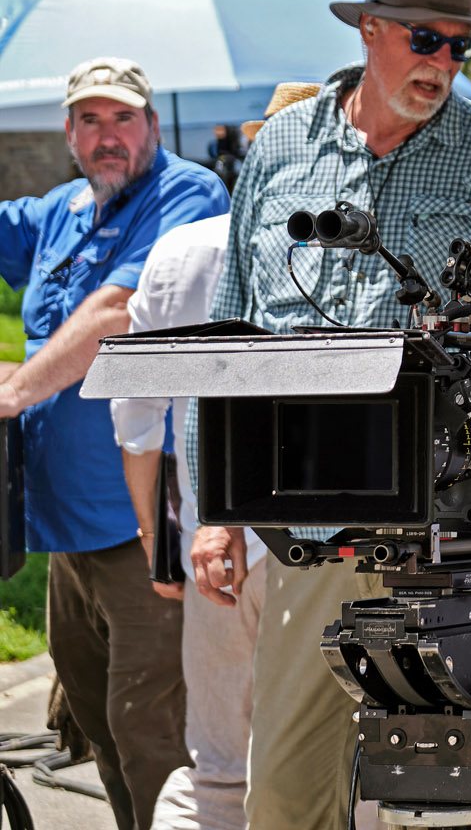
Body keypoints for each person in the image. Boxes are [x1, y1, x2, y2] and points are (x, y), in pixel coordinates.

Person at [188, 0, 471, 830]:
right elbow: (230, 329)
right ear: (369, 29)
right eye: (425, 39)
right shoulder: (281, 147)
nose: (442, 63)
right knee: (283, 795)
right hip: (312, 528)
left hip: (451, 539)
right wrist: (214, 508)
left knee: (449, 804)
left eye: (460, 47)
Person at [0, 57, 229, 830]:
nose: (107, 137)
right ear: (67, 133)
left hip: (145, 527)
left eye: (123, 118)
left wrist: (15, 388)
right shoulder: (61, 209)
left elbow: (114, 313)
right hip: (66, 533)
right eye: (89, 121)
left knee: (154, 734)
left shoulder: (187, 193)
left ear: (153, 126)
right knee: (96, 723)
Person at [108, 81, 320, 830]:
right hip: (314, 547)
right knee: (329, 767)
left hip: (214, 541)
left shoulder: (180, 252)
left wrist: (155, 538)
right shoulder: (350, 260)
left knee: (221, 771)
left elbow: (136, 419)